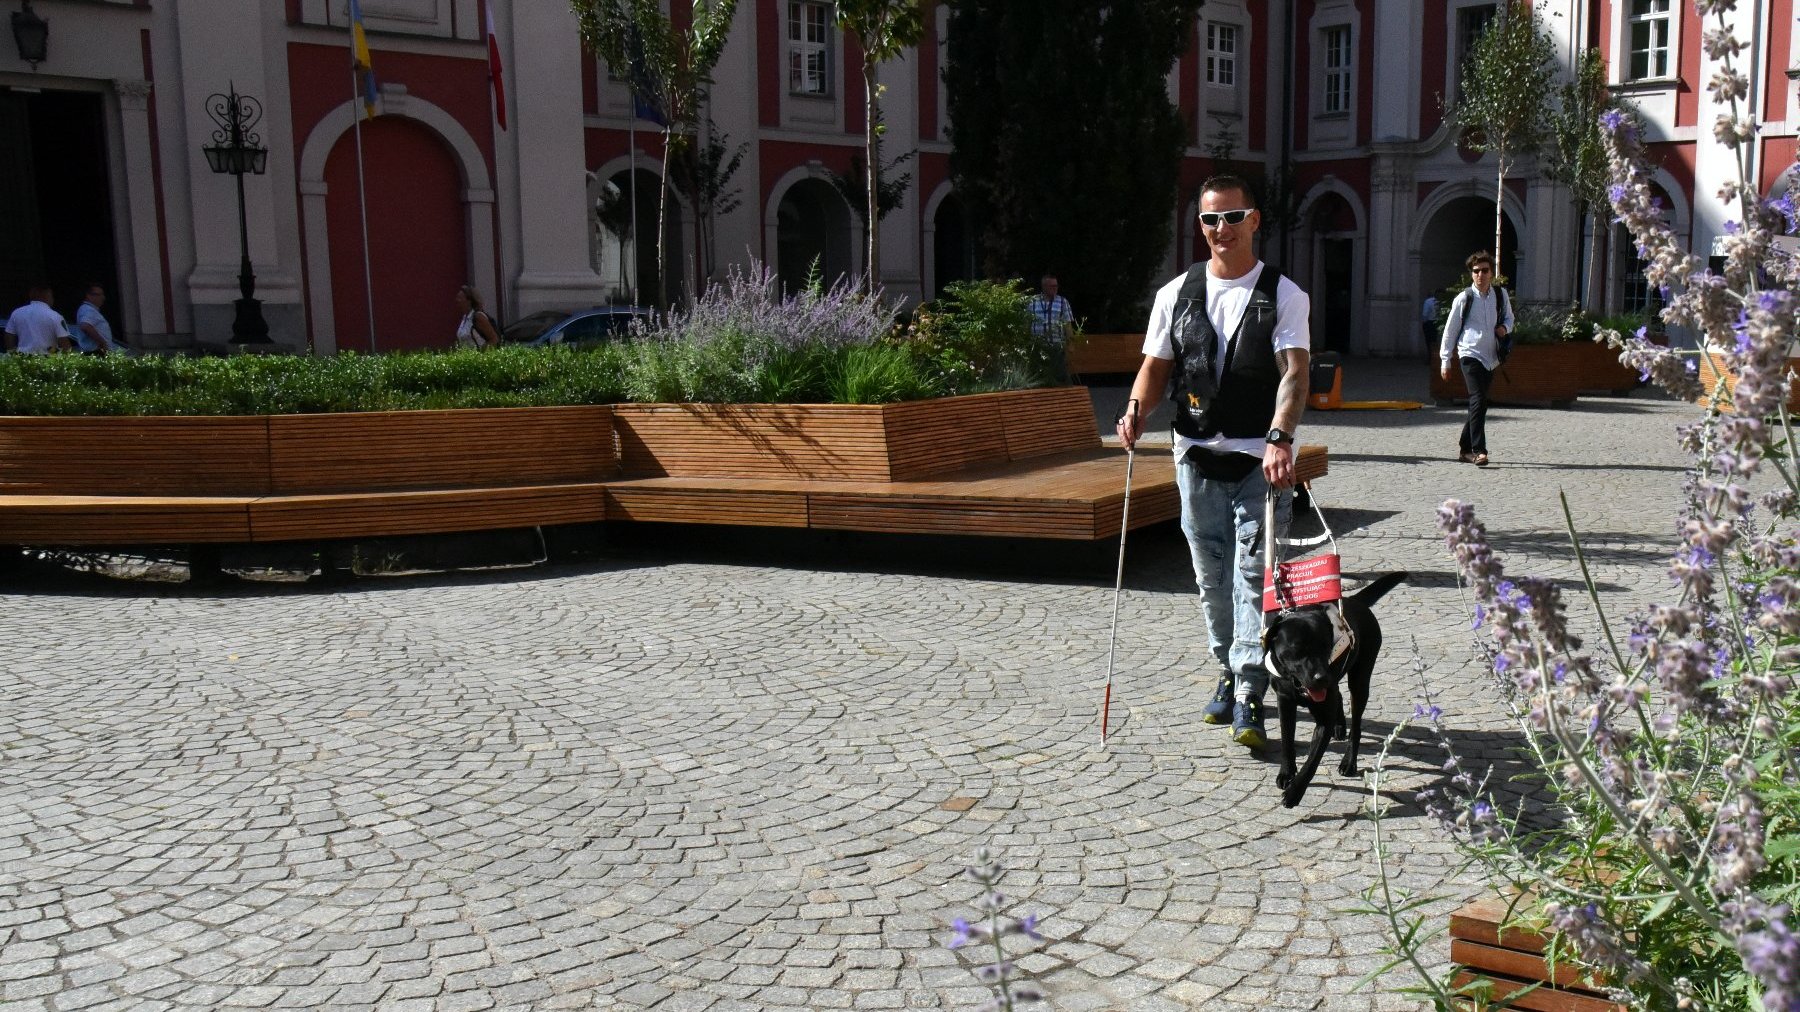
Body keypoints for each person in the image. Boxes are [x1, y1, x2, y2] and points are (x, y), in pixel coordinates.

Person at [1116, 175, 1312, 749]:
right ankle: (1227, 668)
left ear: (1254, 221)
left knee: (1253, 579)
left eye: (1232, 217)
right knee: (1210, 580)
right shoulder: (1176, 293)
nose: (1220, 230)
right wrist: (1134, 411)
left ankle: (1251, 687)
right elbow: (1155, 368)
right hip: (1195, 455)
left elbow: (1295, 371)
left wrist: (1281, 437)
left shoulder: (1284, 294)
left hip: (1258, 460)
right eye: (1209, 220)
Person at [1438, 251, 1513, 467]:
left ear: (1492, 273)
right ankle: (1479, 451)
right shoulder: (1464, 298)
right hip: (1469, 354)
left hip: (1491, 357)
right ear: (1471, 274)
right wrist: (1446, 359)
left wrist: (1504, 328)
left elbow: (1510, 318)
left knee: (1477, 405)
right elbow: (1450, 330)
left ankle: (1464, 449)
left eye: (1484, 270)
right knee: (1479, 399)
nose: (1480, 275)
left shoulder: (1500, 295)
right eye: (1476, 271)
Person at [1028, 274, 1074, 382]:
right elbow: (1027, 323)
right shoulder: (1032, 302)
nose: (1055, 288)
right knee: (1038, 378)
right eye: (1052, 286)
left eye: (1056, 286)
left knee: (1060, 377)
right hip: (1037, 346)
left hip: (1056, 346)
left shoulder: (1063, 302)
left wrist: (1071, 344)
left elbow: (1067, 325)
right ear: (1044, 287)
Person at [3, 284, 71, 354]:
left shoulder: (17, 313)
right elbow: (64, 342)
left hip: (22, 359)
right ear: (47, 296)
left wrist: (12, 353)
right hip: (47, 359)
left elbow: (9, 335)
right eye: (52, 297)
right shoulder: (55, 316)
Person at [73, 283, 123, 355]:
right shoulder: (88, 309)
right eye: (99, 295)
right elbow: (85, 326)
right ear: (88, 296)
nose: (103, 298)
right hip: (96, 352)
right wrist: (102, 343)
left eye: (103, 295)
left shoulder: (89, 309)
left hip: (97, 351)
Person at [453, 285, 502, 350]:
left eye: (460, 298)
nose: (457, 300)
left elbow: (494, 340)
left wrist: (481, 354)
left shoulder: (478, 317)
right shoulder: (465, 317)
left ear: (469, 301)